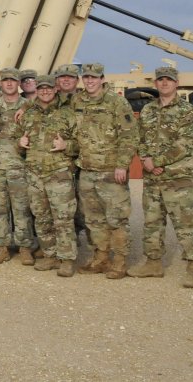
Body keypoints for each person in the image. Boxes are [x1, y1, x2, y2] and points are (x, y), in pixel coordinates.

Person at [127, 67, 193, 288]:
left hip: (178, 178)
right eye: (160, 80)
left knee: (187, 223)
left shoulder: (188, 112)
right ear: (156, 83)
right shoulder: (148, 110)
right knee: (152, 222)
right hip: (153, 178)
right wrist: (146, 159)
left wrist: (157, 161)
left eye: (168, 80)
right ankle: (153, 263)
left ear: (176, 83)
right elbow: (139, 138)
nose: (164, 84)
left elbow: (186, 144)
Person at [71, 63, 137, 279]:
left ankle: (119, 261)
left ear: (102, 79)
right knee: (93, 219)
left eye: (94, 77)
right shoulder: (78, 100)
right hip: (87, 170)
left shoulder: (117, 102)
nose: (89, 81)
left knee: (116, 218)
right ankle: (100, 258)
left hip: (110, 171)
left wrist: (122, 165)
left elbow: (129, 135)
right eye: (86, 77)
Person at [19, 75, 79, 277]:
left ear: (55, 90)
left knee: (63, 218)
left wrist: (67, 146)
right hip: (35, 174)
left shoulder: (68, 113)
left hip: (58, 173)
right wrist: (19, 144)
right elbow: (19, 146)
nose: (45, 92)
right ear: (36, 90)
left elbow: (82, 144)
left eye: (48, 88)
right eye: (41, 88)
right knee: (42, 217)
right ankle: (50, 255)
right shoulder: (27, 114)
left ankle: (67, 259)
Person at [0, 68, 34, 265]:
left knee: (21, 209)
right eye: (5, 80)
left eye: (13, 81)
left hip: (18, 165)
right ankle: (1, 247)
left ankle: (24, 247)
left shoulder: (29, 106)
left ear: (18, 83)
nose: (8, 84)